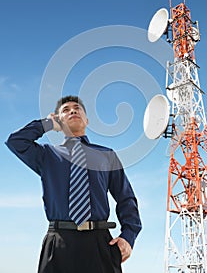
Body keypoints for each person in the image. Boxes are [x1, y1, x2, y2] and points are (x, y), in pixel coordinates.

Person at [6, 95, 142, 273]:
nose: (72, 110)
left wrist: (128, 236)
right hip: (59, 242)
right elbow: (16, 142)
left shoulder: (106, 155)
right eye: (65, 110)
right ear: (58, 120)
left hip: (99, 243)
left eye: (77, 108)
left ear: (87, 120)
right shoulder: (47, 155)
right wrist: (46, 124)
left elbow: (126, 198)